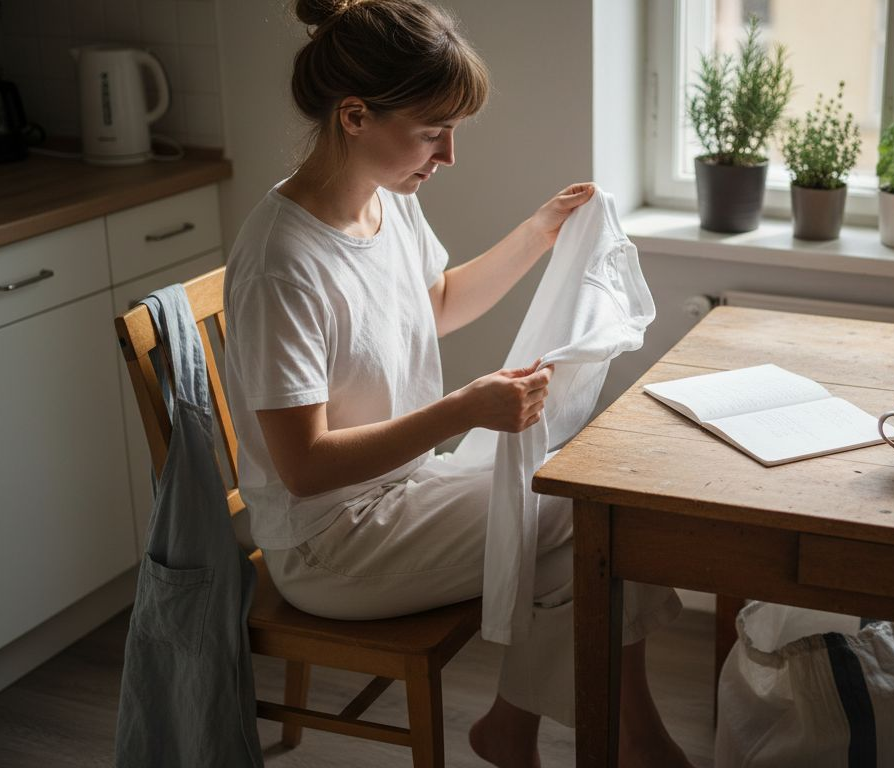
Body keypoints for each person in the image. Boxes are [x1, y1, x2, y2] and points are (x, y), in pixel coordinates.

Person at [221, 1, 693, 766]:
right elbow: (304, 467)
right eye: (432, 132)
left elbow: (434, 305)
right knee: (591, 517)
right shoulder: (283, 264)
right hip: (330, 543)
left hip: (404, 489)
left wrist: (538, 233)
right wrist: (463, 410)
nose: (447, 156)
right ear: (354, 116)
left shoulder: (384, 201)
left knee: (592, 500)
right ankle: (623, 741)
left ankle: (526, 730)